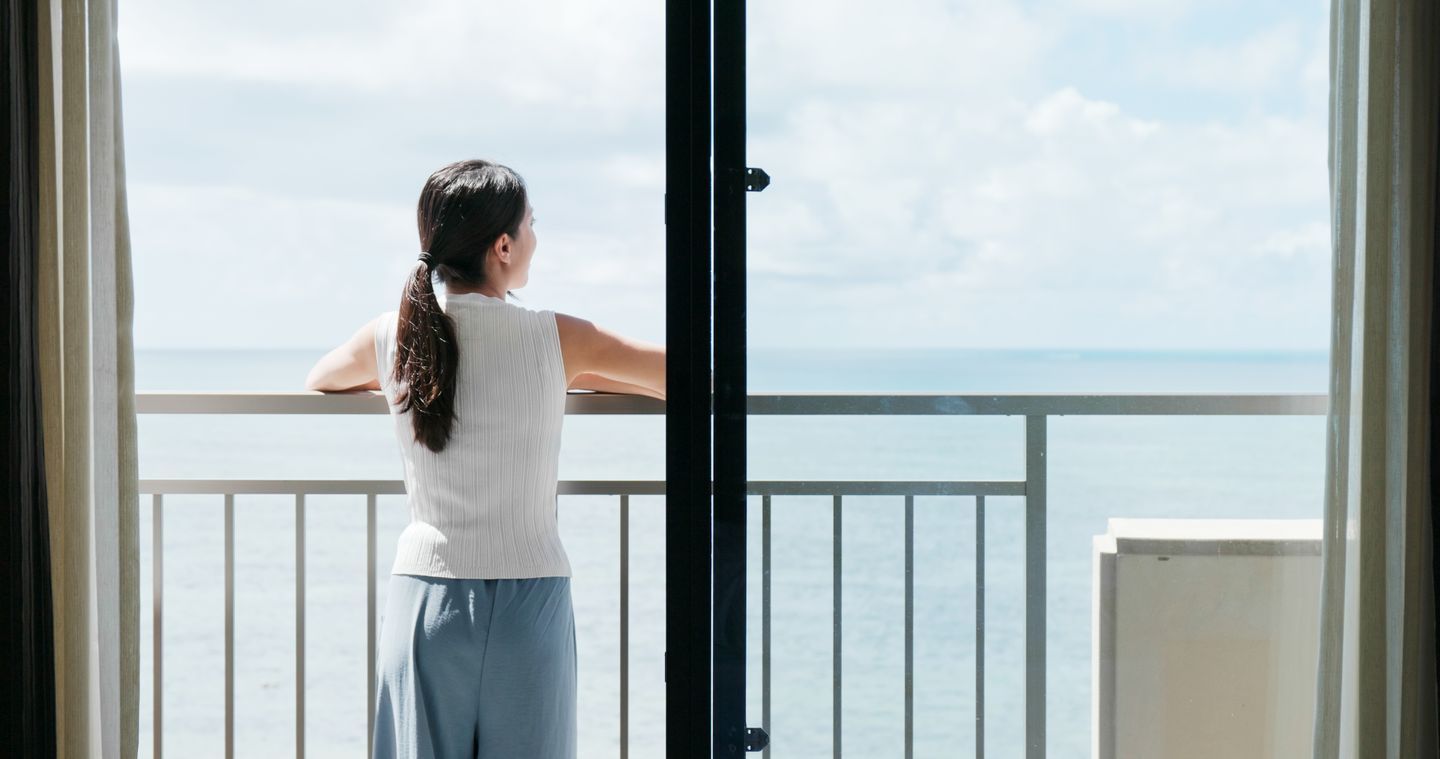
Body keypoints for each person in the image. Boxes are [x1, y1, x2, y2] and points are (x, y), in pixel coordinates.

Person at [304, 158, 666, 758]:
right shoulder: (558, 337)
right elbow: (682, 375)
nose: (534, 239)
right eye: (531, 225)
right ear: (503, 246)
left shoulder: (394, 336)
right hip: (529, 601)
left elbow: (321, 378)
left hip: (426, 599)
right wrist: (575, 374)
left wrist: (398, 382)